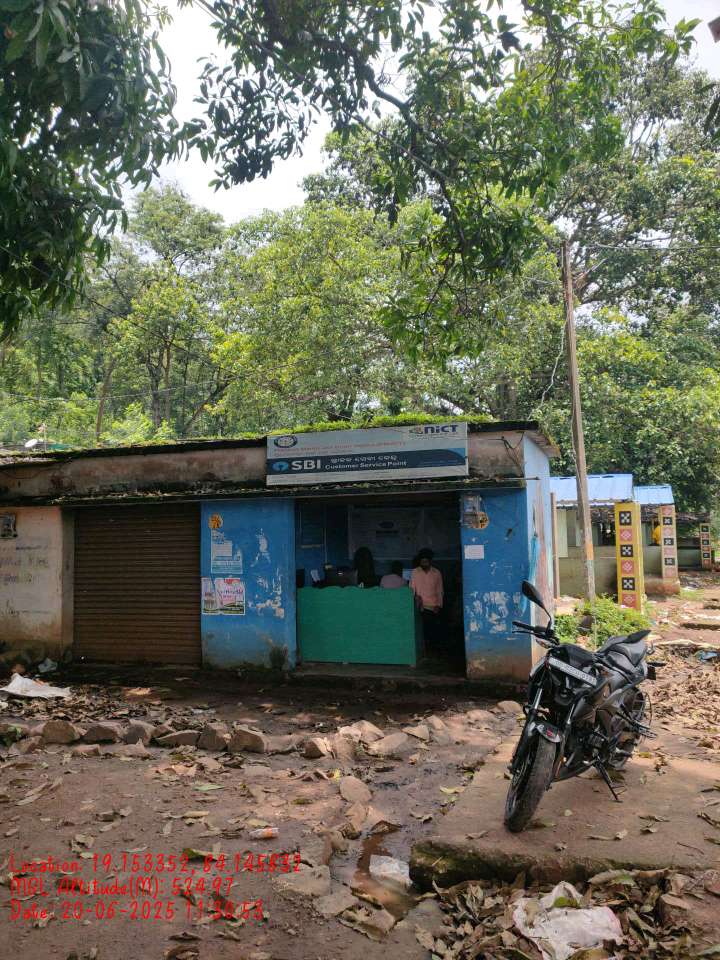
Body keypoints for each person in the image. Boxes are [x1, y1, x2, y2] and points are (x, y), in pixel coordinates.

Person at [411, 548, 444, 649]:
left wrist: (438, 605)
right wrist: (415, 601)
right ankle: (425, 649)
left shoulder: (436, 573)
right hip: (419, 607)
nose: (424, 564)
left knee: (432, 631)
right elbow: (412, 589)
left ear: (430, 561)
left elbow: (440, 590)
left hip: (433, 607)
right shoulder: (415, 572)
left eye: (426, 561)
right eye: (422, 562)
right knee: (422, 632)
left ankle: (432, 649)